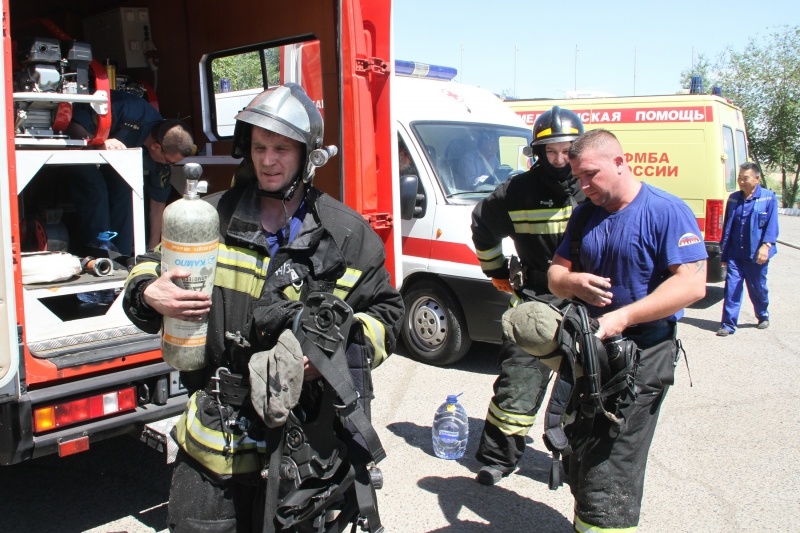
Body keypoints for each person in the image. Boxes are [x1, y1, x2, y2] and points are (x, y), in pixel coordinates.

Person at [122, 84, 403, 532]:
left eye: (281, 148)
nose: (268, 160)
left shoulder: (347, 235)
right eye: (259, 147)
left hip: (302, 441)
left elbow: (388, 315)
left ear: (308, 155)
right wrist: (147, 291)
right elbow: (146, 269)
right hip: (215, 434)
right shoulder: (208, 217)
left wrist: (330, 355)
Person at [547, 129, 707, 532]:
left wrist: (624, 317)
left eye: (590, 174)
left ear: (620, 162)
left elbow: (691, 285)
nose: (582, 185)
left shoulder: (666, 211)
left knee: (609, 472)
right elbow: (554, 276)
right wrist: (574, 283)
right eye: (577, 177)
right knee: (579, 454)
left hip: (643, 359)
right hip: (592, 355)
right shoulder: (585, 212)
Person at [470, 106, 585, 486]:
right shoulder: (517, 191)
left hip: (584, 307)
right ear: (537, 152)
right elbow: (483, 225)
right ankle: (498, 458)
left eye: (567, 150)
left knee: (585, 391)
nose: (559, 159)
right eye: (550, 151)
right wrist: (497, 272)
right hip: (534, 301)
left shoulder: (592, 187)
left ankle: (576, 461)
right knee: (516, 384)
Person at [68, 89, 195, 254]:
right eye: (170, 161)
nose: (169, 166)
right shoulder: (128, 110)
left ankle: (122, 254)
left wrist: (152, 250)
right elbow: (73, 126)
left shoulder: (164, 154)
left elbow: (158, 203)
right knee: (96, 189)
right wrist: (100, 141)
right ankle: (99, 254)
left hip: (115, 161)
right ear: (156, 147)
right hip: (81, 146)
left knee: (126, 190)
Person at [716, 162, 779, 336]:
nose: (741, 182)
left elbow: (771, 226)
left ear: (757, 179)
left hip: (756, 255)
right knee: (732, 288)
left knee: (758, 287)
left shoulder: (768, 198)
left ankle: (762, 314)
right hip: (736, 254)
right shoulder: (734, 198)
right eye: (739, 178)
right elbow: (728, 227)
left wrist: (766, 246)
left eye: (745, 178)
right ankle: (728, 324)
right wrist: (724, 253)